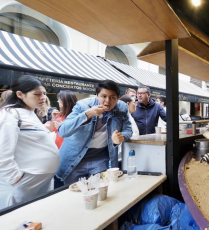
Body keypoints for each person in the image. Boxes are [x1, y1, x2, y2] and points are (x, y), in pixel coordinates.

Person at [57, 80, 132, 185]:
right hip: (75, 158)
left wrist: (121, 137)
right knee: (73, 195)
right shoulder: (83, 106)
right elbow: (62, 131)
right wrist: (87, 114)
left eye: (112, 97)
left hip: (101, 159)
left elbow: (128, 129)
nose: (107, 101)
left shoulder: (122, 108)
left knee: (102, 192)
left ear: (118, 98)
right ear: (97, 95)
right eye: (103, 96)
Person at [0, 75, 59, 208]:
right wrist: (15, 179)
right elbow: (2, 151)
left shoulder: (30, 113)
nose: (43, 97)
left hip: (40, 176)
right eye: (37, 94)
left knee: (34, 215)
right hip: (27, 177)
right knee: (18, 216)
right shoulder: (10, 114)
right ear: (20, 94)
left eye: (44, 93)